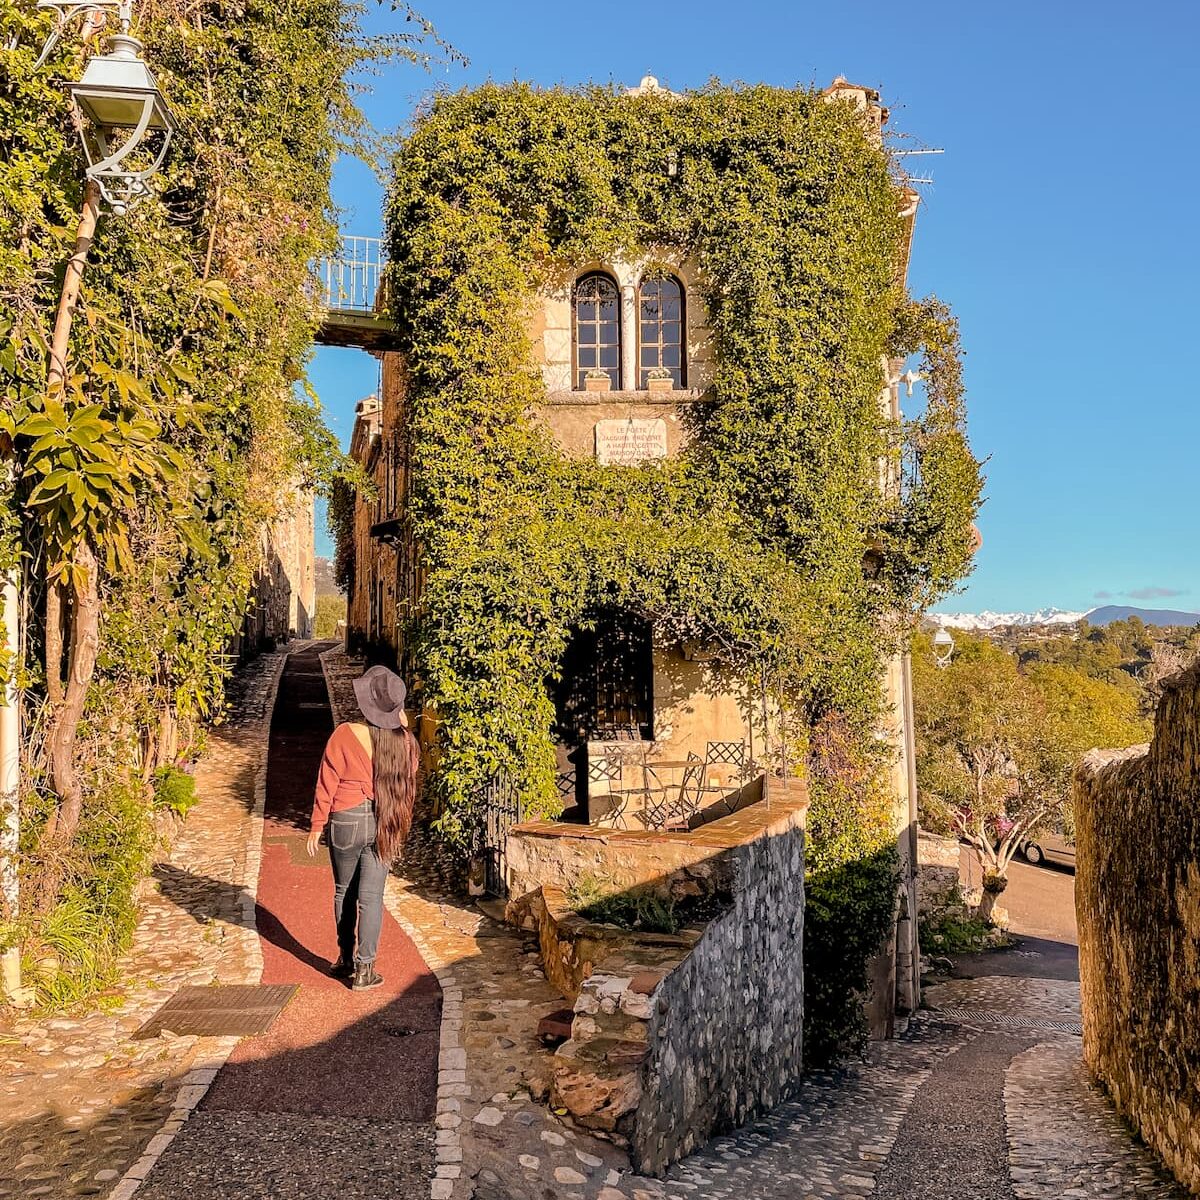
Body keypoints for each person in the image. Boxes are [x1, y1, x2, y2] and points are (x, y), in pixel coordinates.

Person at [306, 665, 420, 990]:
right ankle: (365, 970)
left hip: (346, 819)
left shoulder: (345, 734)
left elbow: (326, 781)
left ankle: (343, 959)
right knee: (371, 897)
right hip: (385, 821)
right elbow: (408, 788)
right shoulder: (406, 745)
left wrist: (317, 824)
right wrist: (402, 726)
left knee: (344, 890)